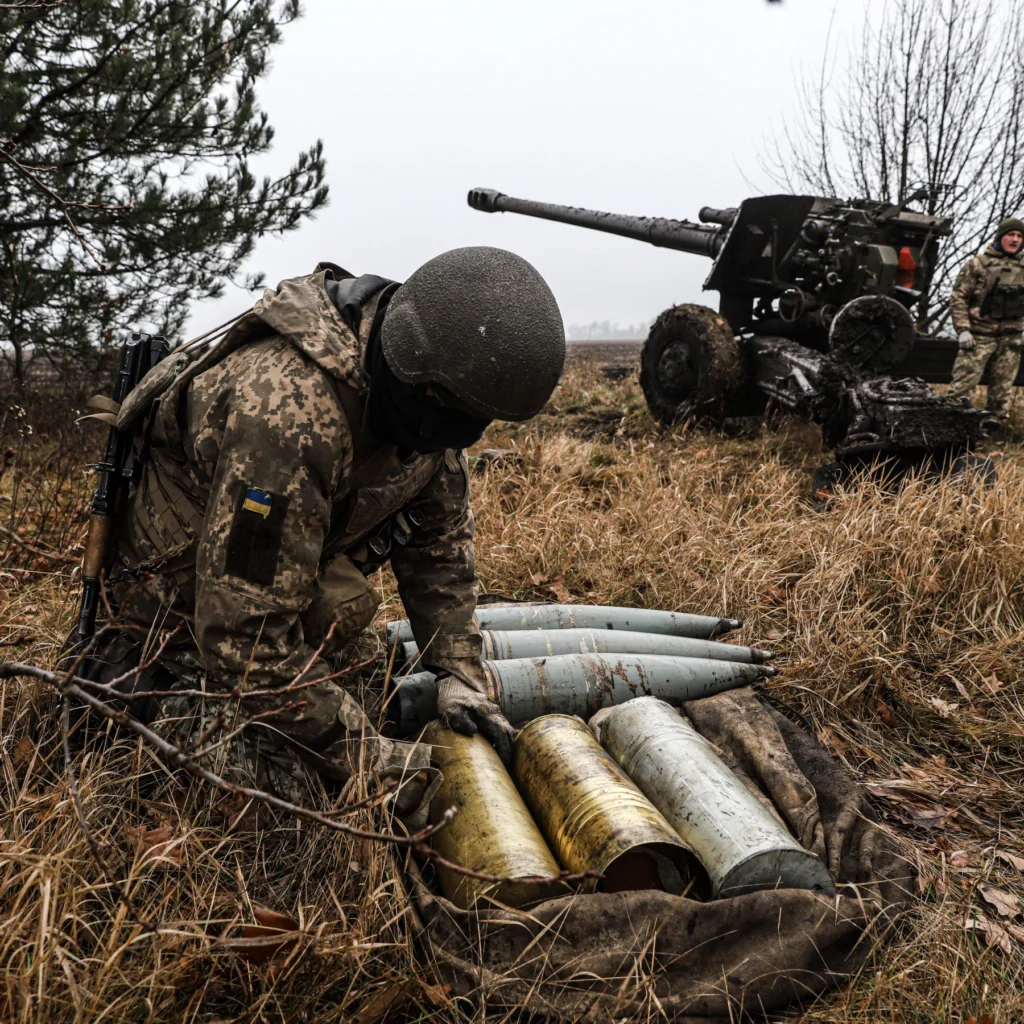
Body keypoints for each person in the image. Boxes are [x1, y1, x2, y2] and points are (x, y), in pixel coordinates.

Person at [85, 247, 565, 814]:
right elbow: (244, 640)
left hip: (268, 584)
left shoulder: (421, 401)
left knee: (373, 686)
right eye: (457, 417)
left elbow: (439, 544)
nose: (458, 437)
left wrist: (455, 669)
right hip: (174, 617)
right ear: (425, 385)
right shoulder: (288, 414)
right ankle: (153, 710)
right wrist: (368, 758)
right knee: (299, 795)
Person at [948, 217, 1024, 430]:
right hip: (979, 336)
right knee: (961, 390)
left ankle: (989, 435)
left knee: (1001, 395)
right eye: (1011, 234)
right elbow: (958, 298)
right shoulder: (977, 264)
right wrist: (963, 329)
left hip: (1011, 338)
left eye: (1019, 236)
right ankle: (953, 433)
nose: (1015, 239)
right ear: (1001, 237)